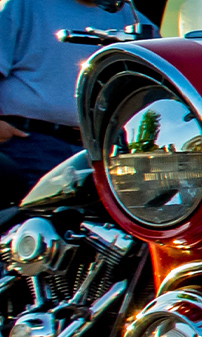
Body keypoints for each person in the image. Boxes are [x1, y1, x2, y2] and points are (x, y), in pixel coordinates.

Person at [0, 0, 148, 204]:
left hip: (99, 152)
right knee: (32, 216)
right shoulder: (25, 5)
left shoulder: (133, 19)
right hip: (29, 143)